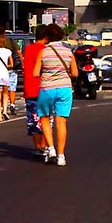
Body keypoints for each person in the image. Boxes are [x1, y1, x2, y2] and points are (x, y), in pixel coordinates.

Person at [32, 23, 77, 167]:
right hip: (64, 89)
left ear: (47, 38)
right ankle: (61, 156)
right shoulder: (68, 52)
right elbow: (75, 73)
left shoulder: (43, 52)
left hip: (47, 88)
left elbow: (35, 73)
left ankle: (50, 148)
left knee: (44, 118)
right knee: (61, 122)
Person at [23, 25, 51, 157]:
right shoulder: (46, 50)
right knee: (46, 118)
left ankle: (37, 146)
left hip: (30, 89)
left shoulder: (28, 49)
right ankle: (44, 144)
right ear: (46, 38)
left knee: (33, 119)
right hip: (44, 88)